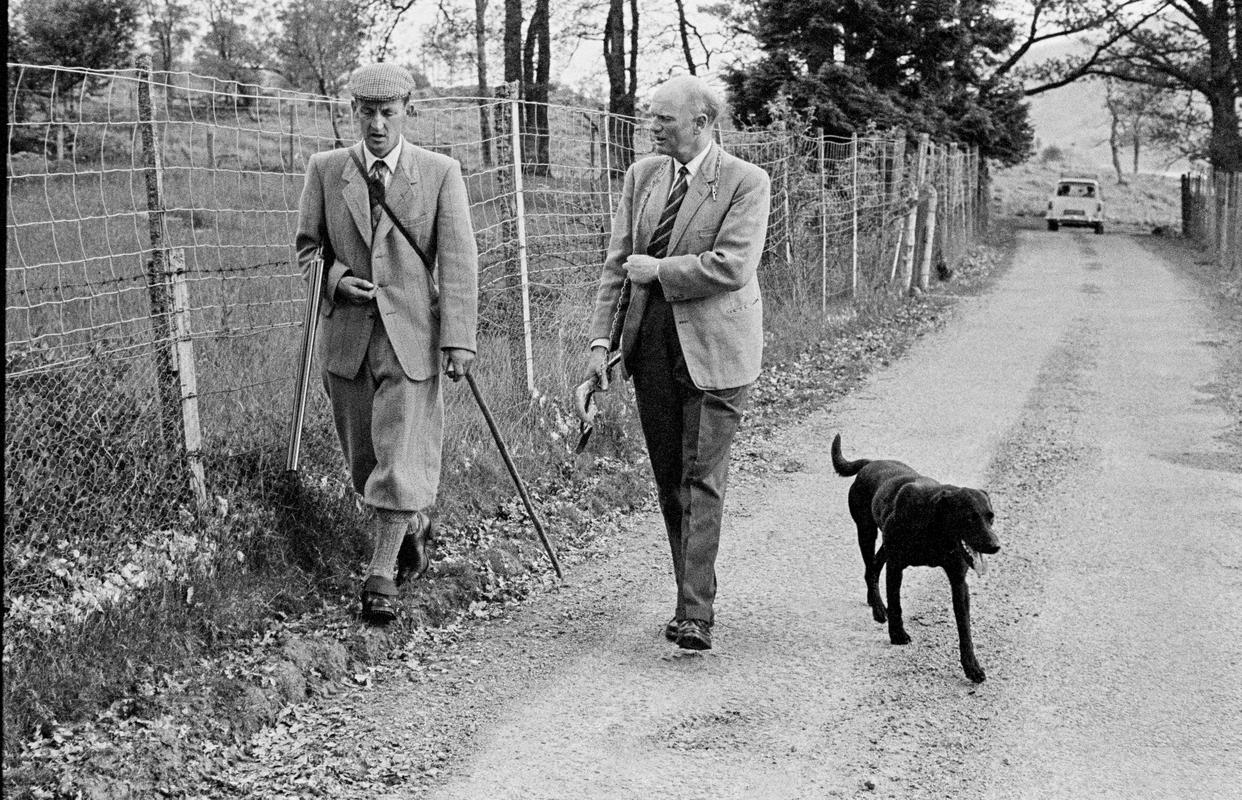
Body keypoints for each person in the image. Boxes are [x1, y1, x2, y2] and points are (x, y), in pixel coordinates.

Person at [582, 75, 770, 651]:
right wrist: (599, 345)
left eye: (665, 118)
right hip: (652, 349)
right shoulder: (643, 177)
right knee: (670, 480)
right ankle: (695, 589)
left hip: (717, 353)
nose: (652, 126)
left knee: (702, 477)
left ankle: (694, 613)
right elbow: (619, 265)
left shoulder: (745, 182)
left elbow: (732, 266)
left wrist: (660, 272)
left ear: (703, 123)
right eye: (651, 116)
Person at [295, 63, 478, 624]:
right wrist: (333, 280)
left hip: (413, 338)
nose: (377, 124)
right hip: (348, 340)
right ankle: (413, 524)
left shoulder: (440, 172)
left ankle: (379, 575)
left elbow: (459, 260)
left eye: (388, 112)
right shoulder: (327, 171)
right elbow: (307, 250)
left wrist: (459, 340)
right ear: (353, 113)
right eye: (367, 112)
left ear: (408, 111)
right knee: (365, 462)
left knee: (399, 455)